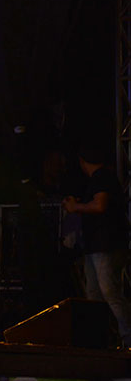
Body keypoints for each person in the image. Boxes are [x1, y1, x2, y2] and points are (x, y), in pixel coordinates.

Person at [62, 147, 131, 346]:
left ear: (82, 161)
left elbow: (100, 205)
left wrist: (76, 207)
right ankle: (99, 340)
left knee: (109, 291)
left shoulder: (101, 177)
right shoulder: (102, 178)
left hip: (105, 245)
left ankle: (127, 337)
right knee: (95, 294)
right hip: (97, 246)